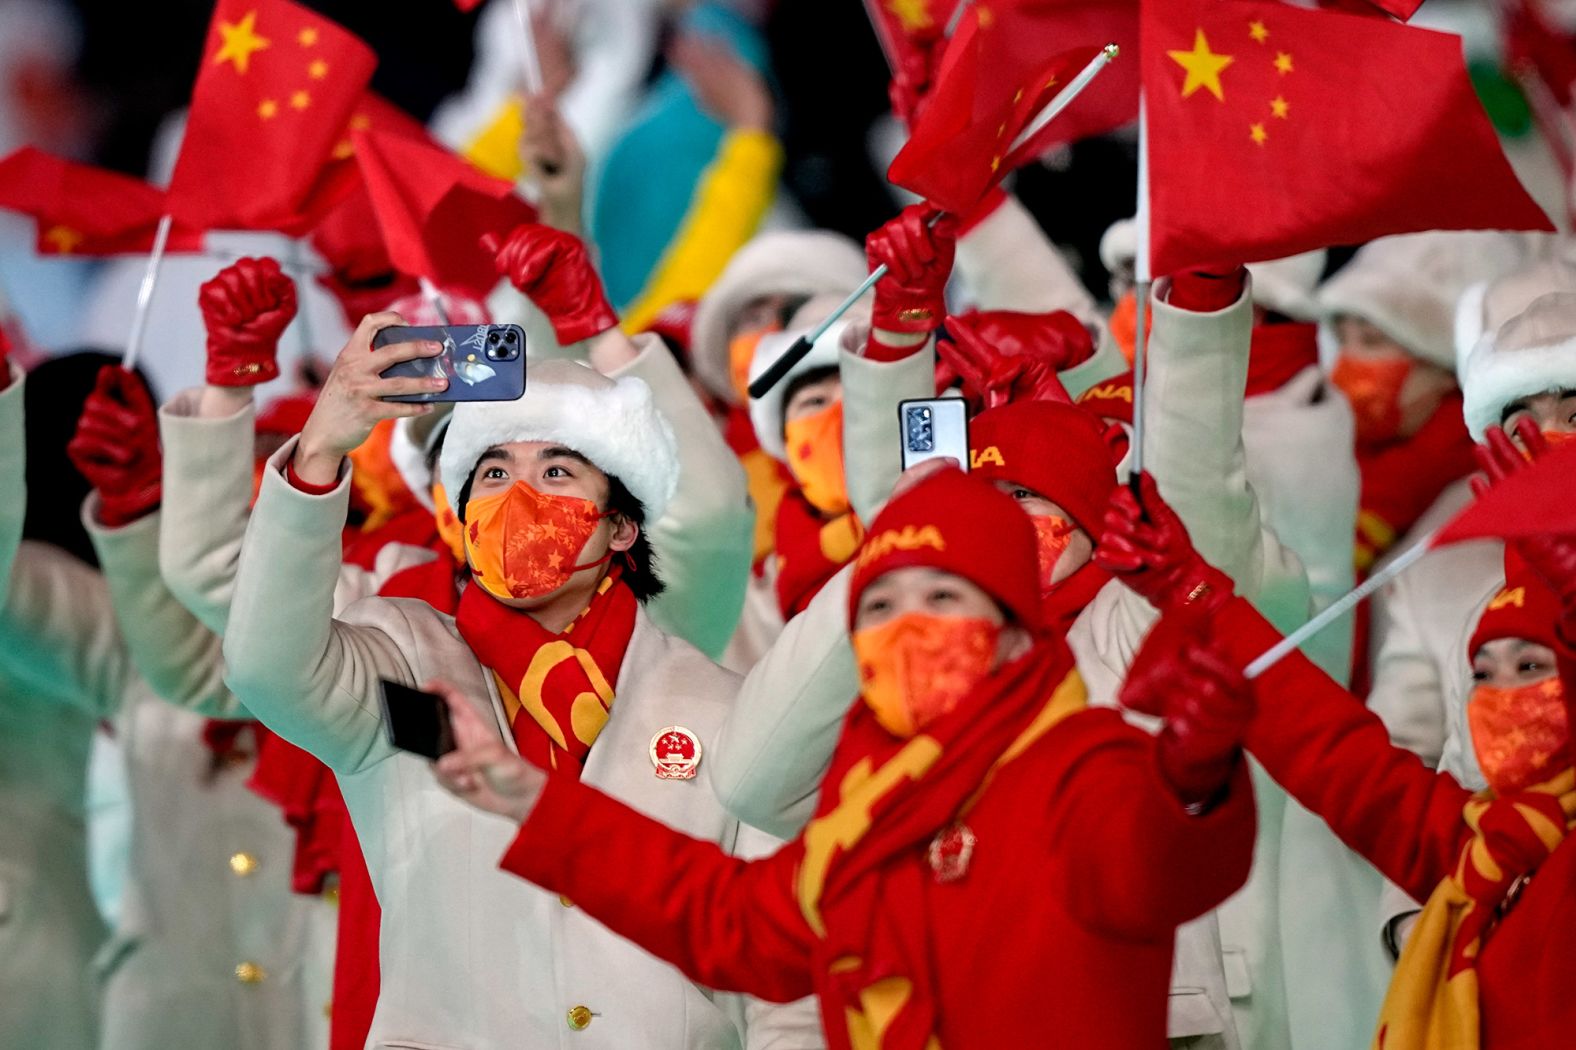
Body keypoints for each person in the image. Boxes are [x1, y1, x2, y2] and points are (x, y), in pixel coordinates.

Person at [430, 467, 1257, 1049]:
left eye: (943, 597)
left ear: (1014, 626)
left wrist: (1192, 776)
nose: (907, 625)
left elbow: (1159, 864)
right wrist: (535, 805)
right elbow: (730, 918)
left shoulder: (1080, 763)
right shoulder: (865, 809)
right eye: (883, 604)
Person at [217, 276, 819, 1044]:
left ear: (622, 528)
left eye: (557, 472)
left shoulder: (721, 706)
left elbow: (778, 983)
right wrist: (320, 452)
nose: (518, 498)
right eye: (493, 475)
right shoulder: (405, 674)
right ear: (463, 522)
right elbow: (268, 667)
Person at [1096, 429, 1576, 1048]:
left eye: (1533, 667)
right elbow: (1330, 749)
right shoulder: (1475, 850)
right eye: (1482, 674)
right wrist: (1190, 590)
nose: (1504, 694)